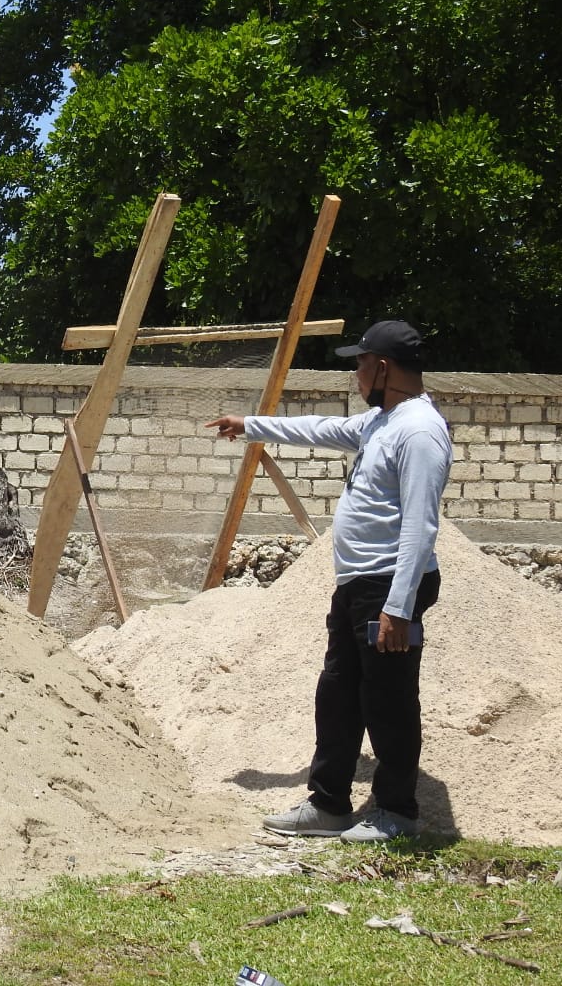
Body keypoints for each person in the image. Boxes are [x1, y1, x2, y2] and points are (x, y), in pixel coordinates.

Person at [205, 320, 453, 842]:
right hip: (359, 585)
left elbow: (421, 524)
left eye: (360, 364)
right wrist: (250, 424)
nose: (356, 374)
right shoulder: (380, 422)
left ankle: (397, 813)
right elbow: (318, 428)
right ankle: (330, 804)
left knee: (388, 700)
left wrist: (398, 607)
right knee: (339, 693)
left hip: (389, 586)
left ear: (382, 367)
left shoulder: (420, 431)